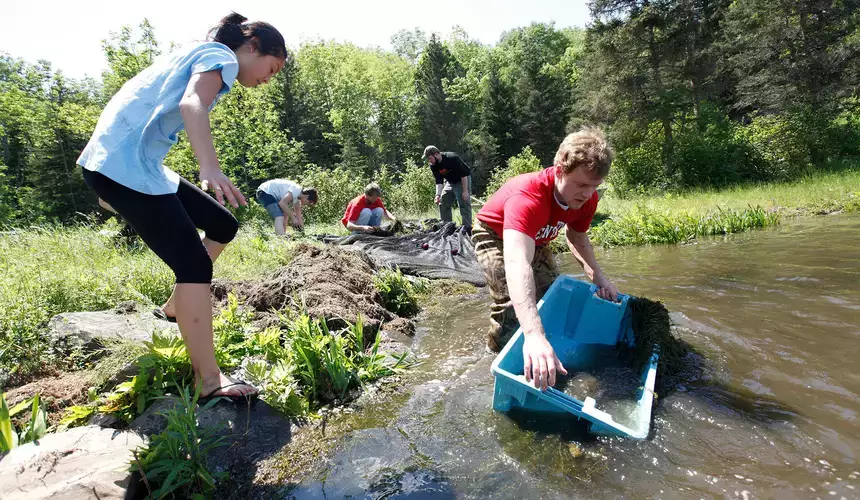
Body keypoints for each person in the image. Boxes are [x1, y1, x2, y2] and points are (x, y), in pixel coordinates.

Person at [77, 12, 288, 400]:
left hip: (131, 163)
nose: (267, 80)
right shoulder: (222, 56)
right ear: (252, 46)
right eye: (271, 69)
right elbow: (193, 104)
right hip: (124, 166)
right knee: (194, 264)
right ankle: (208, 382)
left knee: (222, 225)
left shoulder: (193, 51)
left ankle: (177, 306)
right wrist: (210, 167)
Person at [471, 127, 619, 391]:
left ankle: (544, 354)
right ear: (560, 168)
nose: (587, 194)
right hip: (495, 234)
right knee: (510, 306)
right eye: (582, 185)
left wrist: (599, 277)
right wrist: (533, 335)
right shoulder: (528, 197)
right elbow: (518, 262)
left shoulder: (588, 198)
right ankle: (493, 362)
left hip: (536, 237)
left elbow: (577, 238)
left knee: (549, 296)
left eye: (595, 186)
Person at [422, 146, 473, 231]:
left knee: (463, 203)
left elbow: (464, 175)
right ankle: (447, 226)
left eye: (430, 158)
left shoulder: (452, 158)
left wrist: (465, 191)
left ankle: (467, 228)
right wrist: (437, 195)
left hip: (462, 180)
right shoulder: (433, 165)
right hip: (450, 181)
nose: (429, 161)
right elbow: (439, 181)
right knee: (443, 200)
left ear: (436, 154)